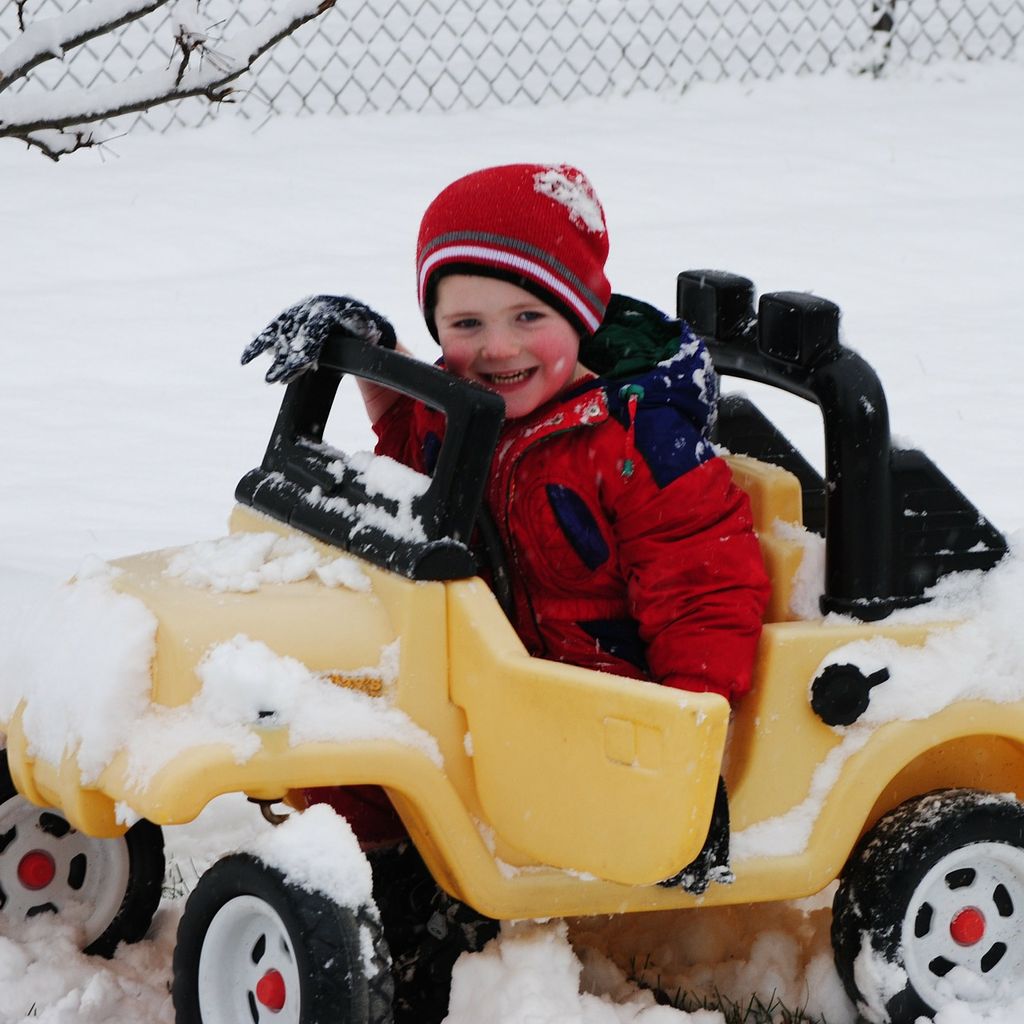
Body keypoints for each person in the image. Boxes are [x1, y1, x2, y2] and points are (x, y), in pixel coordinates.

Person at [243, 162, 771, 1022]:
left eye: (529, 317)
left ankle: (444, 930)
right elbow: (414, 450)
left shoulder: (640, 442)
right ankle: (382, 893)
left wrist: (690, 743)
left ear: (581, 314)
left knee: (431, 778)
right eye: (466, 323)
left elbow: (703, 589)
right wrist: (372, 352)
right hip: (491, 679)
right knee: (348, 750)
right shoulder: (473, 404)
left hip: (603, 710)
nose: (498, 348)